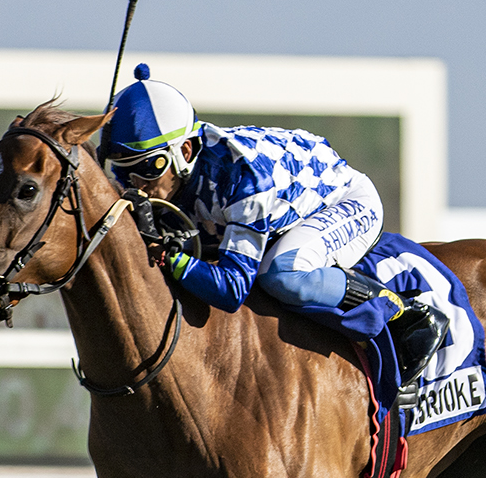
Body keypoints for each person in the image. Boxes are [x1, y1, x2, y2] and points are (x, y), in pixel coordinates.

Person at [99, 63, 448, 399]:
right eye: (122, 170)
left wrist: (170, 258)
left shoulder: (242, 180)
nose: (136, 183)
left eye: (148, 167)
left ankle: (406, 315)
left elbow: (231, 289)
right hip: (282, 211)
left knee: (282, 273)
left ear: (184, 151)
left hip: (347, 202)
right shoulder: (161, 177)